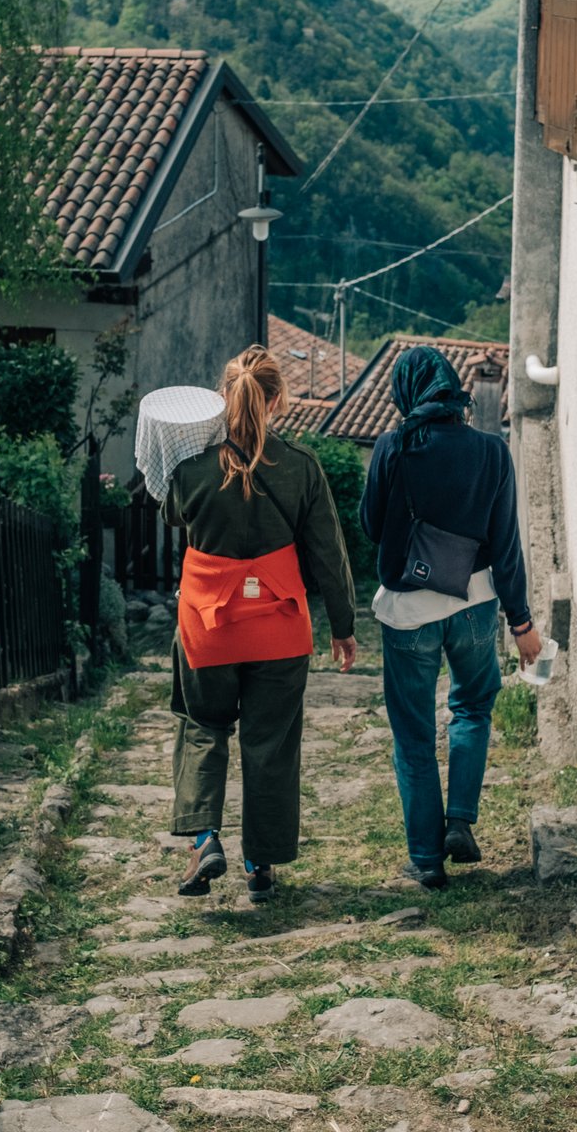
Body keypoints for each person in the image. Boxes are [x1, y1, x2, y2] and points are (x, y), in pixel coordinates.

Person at [162, 346, 357, 903]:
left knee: (202, 725)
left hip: (208, 624)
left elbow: (170, 511)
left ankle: (204, 840)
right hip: (278, 628)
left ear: (223, 398)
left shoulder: (193, 468)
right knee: (270, 743)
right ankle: (260, 864)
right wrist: (342, 626)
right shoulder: (301, 467)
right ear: (279, 401)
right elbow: (328, 554)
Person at [360, 345, 541, 889]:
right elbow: (506, 544)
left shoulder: (394, 445)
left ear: (407, 391)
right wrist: (523, 623)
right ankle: (459, 821)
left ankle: (426, 859)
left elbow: (370, 526)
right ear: (455, 391)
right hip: (476, 607)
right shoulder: (492, 452)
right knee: (471, 709)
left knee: (413, 734)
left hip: (409, 611)